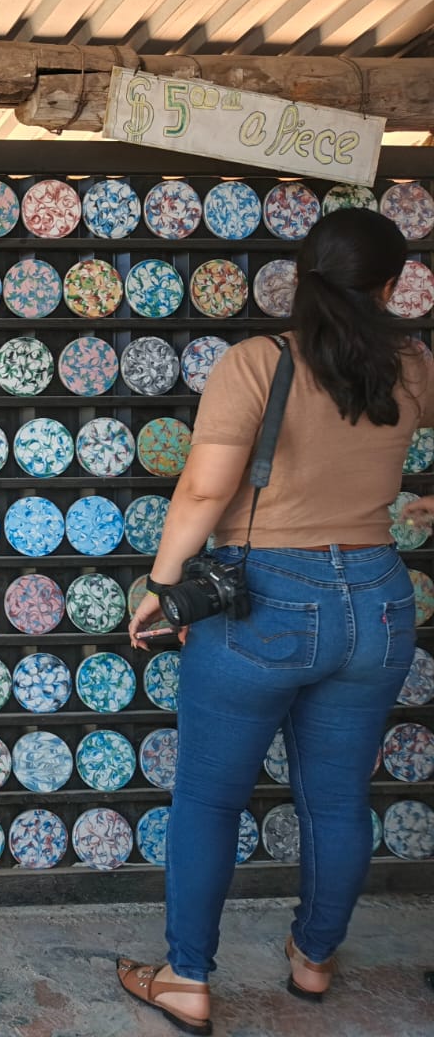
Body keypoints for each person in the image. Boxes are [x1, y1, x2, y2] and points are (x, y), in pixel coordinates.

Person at [116, 207, 433, 1036]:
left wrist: (162, 583)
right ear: (393, 286)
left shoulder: (259, 362)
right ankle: (314, 959)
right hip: (380, 598)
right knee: (337, 799)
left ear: (302, 275)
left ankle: (188, 978)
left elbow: (205, 489)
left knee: (210, 798)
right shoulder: (411, 365)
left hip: (267, 597)